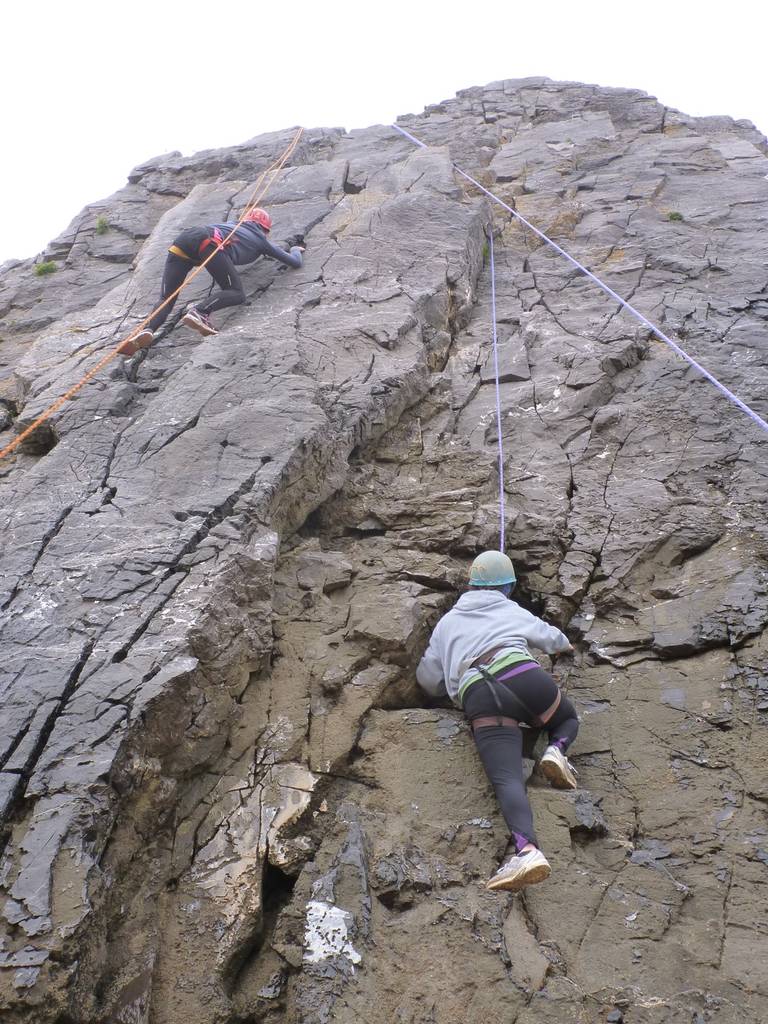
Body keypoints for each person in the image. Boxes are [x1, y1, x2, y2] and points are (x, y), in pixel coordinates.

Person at [416, 550, 579, 892]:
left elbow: (428, 679)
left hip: (478, 694)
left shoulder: (447, 623)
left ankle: (528, 851)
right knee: (565, 719)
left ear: (472, 584)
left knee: (507, 780)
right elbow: (553, 639)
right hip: (522, 673)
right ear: (507, 586)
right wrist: (564, 647)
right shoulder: (509, 607)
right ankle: (556, 750)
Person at [121, 208, 305, 355]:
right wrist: (296, 249)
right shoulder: (260, 239)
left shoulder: (232, 225)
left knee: (167, 297)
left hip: (184, 240)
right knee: (236, 292)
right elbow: (294, 262)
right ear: (265, 229)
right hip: (209, 242)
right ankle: (200, 312)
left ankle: (147, 330)